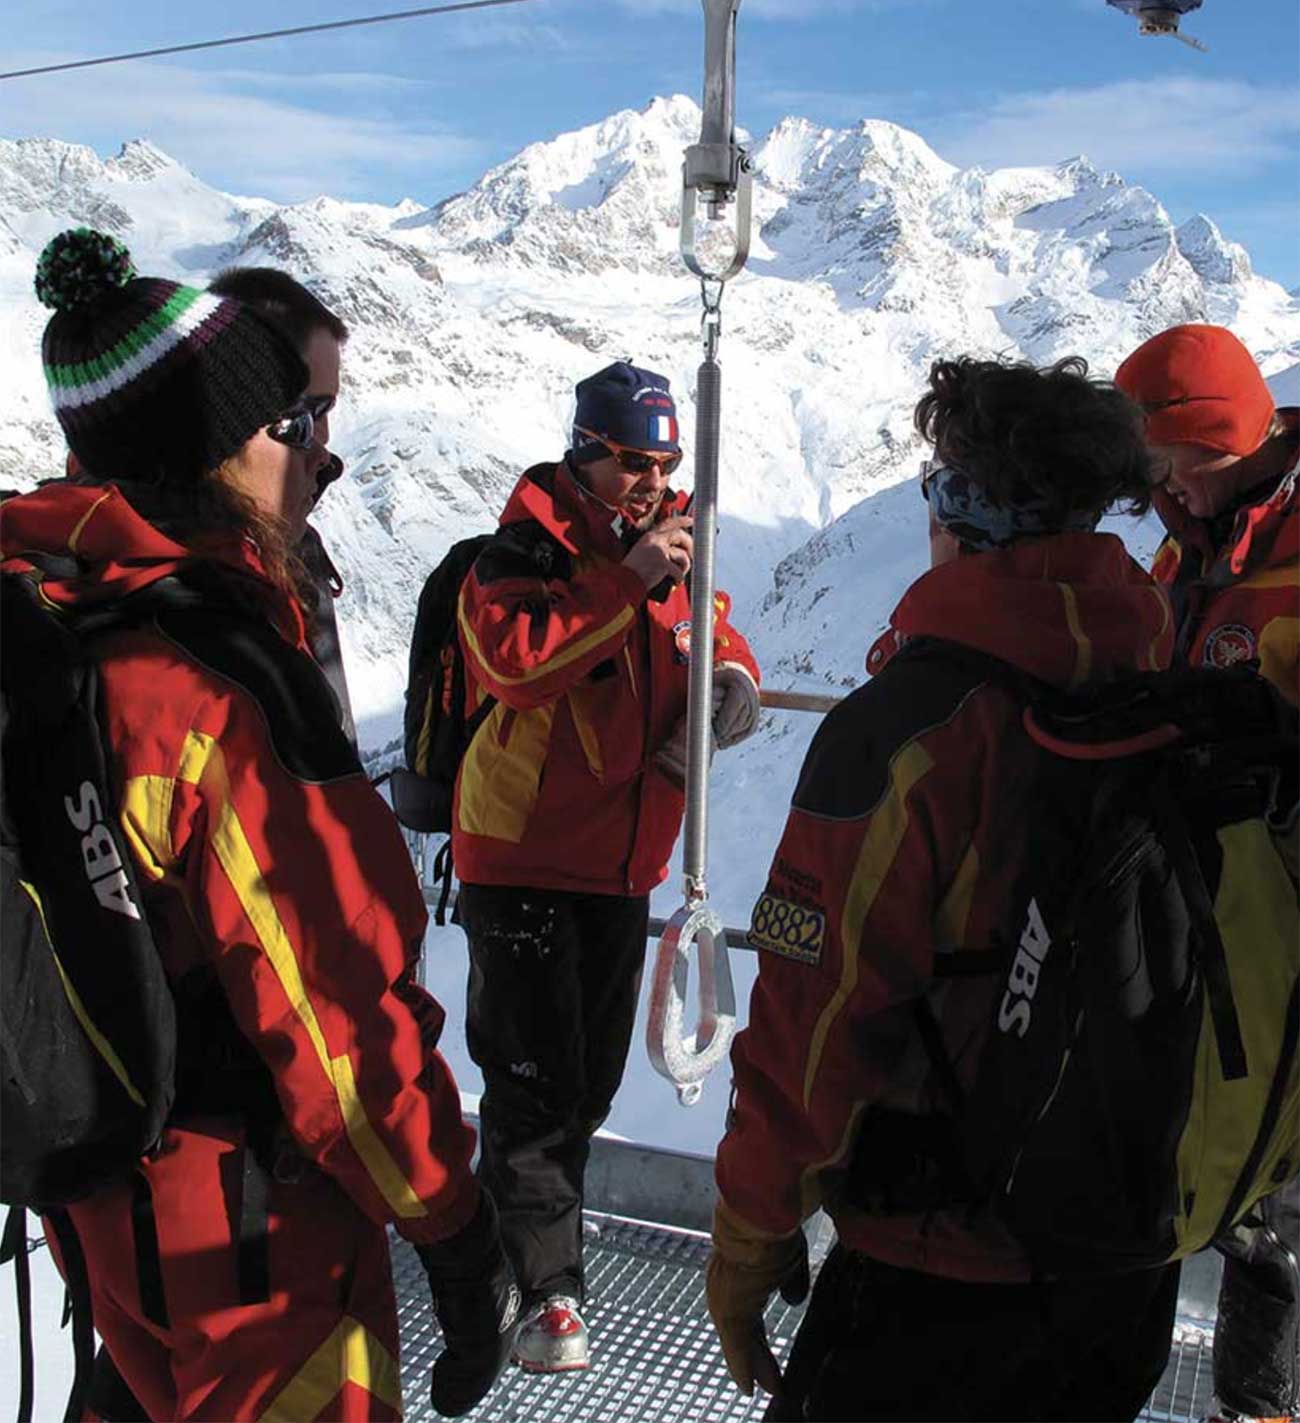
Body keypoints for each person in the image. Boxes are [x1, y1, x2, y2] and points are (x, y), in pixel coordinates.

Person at [1, 228, 517, 1422]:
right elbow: (340, 1023)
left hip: (103, 1196)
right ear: (208, 452)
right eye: (294, 428)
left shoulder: (55, 607)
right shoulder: (215, 685)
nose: (321, 461)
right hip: (248, 1235)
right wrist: (453, 1223)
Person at [707, 356, 1180, 1422]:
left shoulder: (908, 730)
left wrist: (749, 1233)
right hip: (1127, 1243)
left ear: (963, 507)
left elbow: (814, 1017)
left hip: (940, 1264)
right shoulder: (1165, 672)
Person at [453, 359, 761, 1372]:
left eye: (663, 462)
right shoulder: (524, 548)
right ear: (583, 448)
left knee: (580, 1085)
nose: (650, 479)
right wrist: (623, 580)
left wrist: (731, 678)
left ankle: (505, 1246)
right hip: (526, 856)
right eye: (632, 460)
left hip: (623, 863)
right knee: (534, 1080)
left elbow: (712, 632)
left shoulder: (669, 548)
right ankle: (548, 1294)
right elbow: (513, 663)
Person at [1117, 323, 1299, 1423]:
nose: (1151, 494)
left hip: (1282, 908)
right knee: (1212, 1169)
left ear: (1205, 445)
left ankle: (1257, 1404)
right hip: (1197, 905)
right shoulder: (1193, 548)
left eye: (1158, 465)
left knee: (1276, 1201)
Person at [207, 264, 357, 743]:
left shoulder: (290, 554)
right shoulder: (174, 605)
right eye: (296, 418)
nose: (322, 450)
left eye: (325, 410)